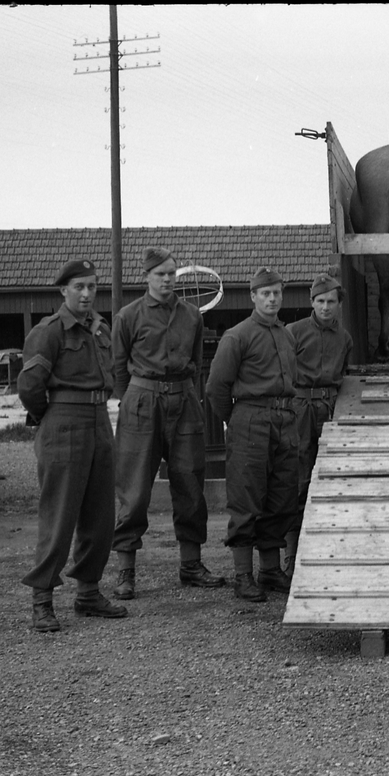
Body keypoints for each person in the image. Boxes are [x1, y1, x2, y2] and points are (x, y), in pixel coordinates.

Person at [109, 247, 225, 600]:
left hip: (184, 401)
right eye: (160, 274)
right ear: (146, 277)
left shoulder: (192, 315)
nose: (167, 279)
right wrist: (135, 400)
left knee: (190, 481)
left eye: (172, 273)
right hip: (141, 403)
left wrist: (182, 394)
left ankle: (191, 565)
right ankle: (126, 571)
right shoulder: (128, 316)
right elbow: (118, 368)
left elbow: (196, 360)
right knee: (134, 488)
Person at [18, 259, 127, 632]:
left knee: (100, 514)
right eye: (78, 287)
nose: (86, 294)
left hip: (99, 422)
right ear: (63, 290)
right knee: (60, 513)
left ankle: (88, 593)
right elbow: (30, 384)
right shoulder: (49, 331)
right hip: (63, 422)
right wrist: (49, 417)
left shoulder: (100, 329)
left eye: (92, 287)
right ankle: (42, 600)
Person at [205, 267, 299, 602]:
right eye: (265, 293)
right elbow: (216, 388)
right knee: (247, 498)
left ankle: (270, 571)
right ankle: (243, 576)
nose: (272, 299)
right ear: (253, 297)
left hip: (284, 421)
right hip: (250, 420)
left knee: (281, 496)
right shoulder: (237, 335)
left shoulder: (287, 336)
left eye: (276, 292)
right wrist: (239, 419)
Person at [284, 271, 354, 575]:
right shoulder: (294, 332)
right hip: (300, 408)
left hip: (330, 408)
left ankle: (330, 554)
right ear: (312, 302)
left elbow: (346, 376)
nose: (326, 307)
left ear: (339, 304)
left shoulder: (344, 338)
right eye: (320, 301)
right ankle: (292, 559)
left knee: (330, 480)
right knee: (298, 481)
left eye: (331, 301)